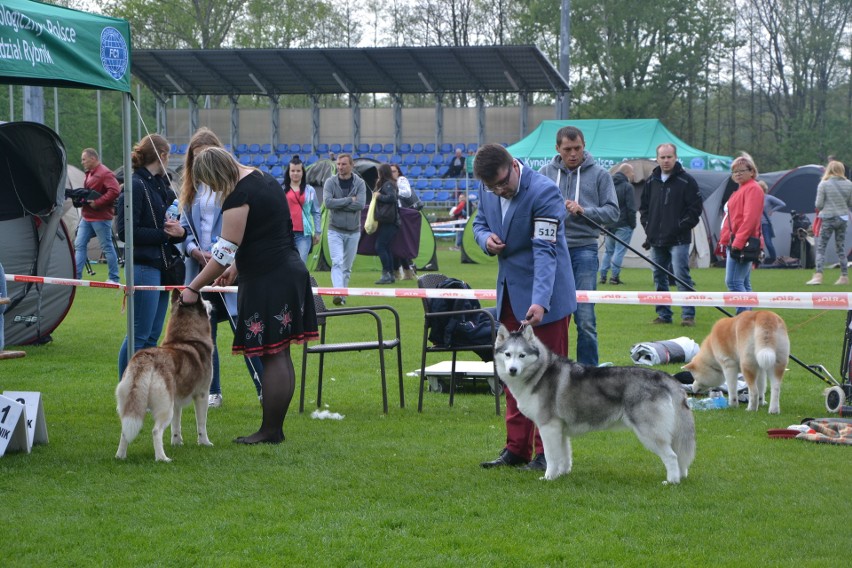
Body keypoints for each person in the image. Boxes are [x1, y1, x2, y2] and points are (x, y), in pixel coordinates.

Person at [180, 146, 319, 445]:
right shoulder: (263, 179)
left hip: (270, 279)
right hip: (287, 271)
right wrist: (237, 268)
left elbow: (223, 251)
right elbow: (262, 233)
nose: (213, 189)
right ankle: (274, 428)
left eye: (210, 183)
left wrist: (193, 287)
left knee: (272, 354)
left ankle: (270, 430)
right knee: (279, 354)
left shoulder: (238, 197)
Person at [472, 143, 576, 472]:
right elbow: (479, 222)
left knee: (549, 379)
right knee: (512, 375)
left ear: (514, 166)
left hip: (545, 299)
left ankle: (549, 454)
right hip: (508, 293)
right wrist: (485, 238)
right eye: (493, 187)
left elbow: (546, 250)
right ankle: (516, 449)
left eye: (504, 183)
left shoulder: (544, 192)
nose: (499, 191)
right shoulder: (487, 186)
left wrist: (540, 301)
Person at [179, 127, 263, 407]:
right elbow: (184, 229)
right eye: (196, 156)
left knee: (244, 328)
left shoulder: (232, 187)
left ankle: (263, 386)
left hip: (229, 270)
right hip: (200, 270)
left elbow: (239, 230)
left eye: (206, 155)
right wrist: (193, 250)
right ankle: (212, 392)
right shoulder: (189, 191)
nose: (201, 161)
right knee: (206, 335)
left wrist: (222, 256)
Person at [539, 126, 618, 366]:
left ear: (584, 146)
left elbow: (613, 213)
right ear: (557, 149)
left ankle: (589, 375)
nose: (573, 154)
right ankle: (550, 371)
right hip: (550, 250)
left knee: (585, 319)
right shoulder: (544, 173)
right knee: (549, 316)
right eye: (567, 149)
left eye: (578, 148)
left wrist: (585, 211)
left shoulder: (600, 175)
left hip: (584, 249)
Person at [116, 134, 186, 380]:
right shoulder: (135, 185)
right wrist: (164, 236)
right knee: (138, 334)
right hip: (144, 266)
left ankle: (142, 386)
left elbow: (171, 226)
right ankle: (129, 389)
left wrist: (179, 233)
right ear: (163, 155)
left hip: (162, 267)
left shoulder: (161, 186)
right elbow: (126, 232)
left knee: (153, 335)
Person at [639, 143, 703, 327]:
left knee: (682, 276)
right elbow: (644, 208)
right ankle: (663, 314)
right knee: (658, 276)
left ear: (675, 157)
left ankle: (688, 315)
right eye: (662, 157)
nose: (666, 160)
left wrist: (680, 226)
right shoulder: (651, 181)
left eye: (669, 157)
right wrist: (648, 226)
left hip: (679, 239)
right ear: (657, 159)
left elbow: (695, 209)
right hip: (656, 239)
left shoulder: (687, 181)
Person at [718, 155, 765, 313]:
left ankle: (744, 320)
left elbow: (749, 219)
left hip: (742, 243)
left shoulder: (753, 188)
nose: (737, 174)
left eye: (741, 171)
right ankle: (750, 319)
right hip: (736, 241)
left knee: (733, 282)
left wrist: (737, 243)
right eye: (734, 171)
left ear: (752, 172)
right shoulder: (742, 189)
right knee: (743, 283)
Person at [323, 154, 366, 305]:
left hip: (353, 231)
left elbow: (360, 205)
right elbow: (328, 203)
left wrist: (339, 203)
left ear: (351, 165)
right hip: (335, 229)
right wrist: (349, 200)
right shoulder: (330, 182)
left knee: (347, 268)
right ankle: (337, 292)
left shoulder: (360, 183)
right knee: (337, 262)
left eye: (343, 164)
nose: (340, 167)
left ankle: (342, 296)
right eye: (338, 164)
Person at [75, 148, 121, 284]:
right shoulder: (90, 173)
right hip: (87, 216)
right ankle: (76, 278)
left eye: (84, 159)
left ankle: (114, 278)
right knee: (79, 244)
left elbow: (115, 190)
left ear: (93, 159)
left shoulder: (105, 173)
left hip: (101, 218)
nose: (82, 162)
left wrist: (98, 202)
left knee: (107, 247)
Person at [806, 160, 852, 285]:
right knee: (840, 248)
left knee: (821, 247)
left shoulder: (824, 184)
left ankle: (818, 276)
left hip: (828, 218)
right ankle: (844, 277)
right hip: (843, 218)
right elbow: (850, 204)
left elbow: (818, 205)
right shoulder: (849, 184)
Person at [599, 163, 637, 285]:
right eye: (632, 172)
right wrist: (633, 224)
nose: (633, 175)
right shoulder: (628, 187)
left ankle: (603, 276)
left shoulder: (609, 185)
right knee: (619, 251)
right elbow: (631, 207)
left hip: (610, 224)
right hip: (624, 224)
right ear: (627, 173)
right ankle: (614, 277)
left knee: (608, 251)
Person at [284, 155, 322, 264]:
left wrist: (318, 232)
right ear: (289, 172)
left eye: (298, 171)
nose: (295, 173)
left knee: (301, 264)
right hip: (286, 233)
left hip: (304, 235)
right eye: (292, 171)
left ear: (302, 172)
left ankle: (300, 281)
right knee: (287, 264)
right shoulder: (282, 190)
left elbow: (316, 212)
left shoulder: (310, 190)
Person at [372, 163, 401, 285]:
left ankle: (386, 273)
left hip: (389, 220)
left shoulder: (388, 184)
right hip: (389, 221)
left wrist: (379, 196)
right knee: (386, 247)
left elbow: (392, 198)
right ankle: (390, 274)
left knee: (380, 246)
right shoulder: (389, 183)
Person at [390, 164, 417, 280]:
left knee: (400, 245)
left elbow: (407, 193)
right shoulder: (387, 183)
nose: (392, 173)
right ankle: (401, 271)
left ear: (399, 172)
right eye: (390, 171)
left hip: (401, 216)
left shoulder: (401, 180)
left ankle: (406, 271)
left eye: (394, 171)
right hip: (392, 215)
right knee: (394, 245)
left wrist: (394, 191)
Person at [759, 180, 785, 265]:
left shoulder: (768, 198)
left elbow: (782, 204)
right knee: (758, 243)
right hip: (757, 224)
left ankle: (773, 259)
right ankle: (759, 260)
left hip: (765, 223)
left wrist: (772, 210)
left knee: (768, 242)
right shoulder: (755, 198)